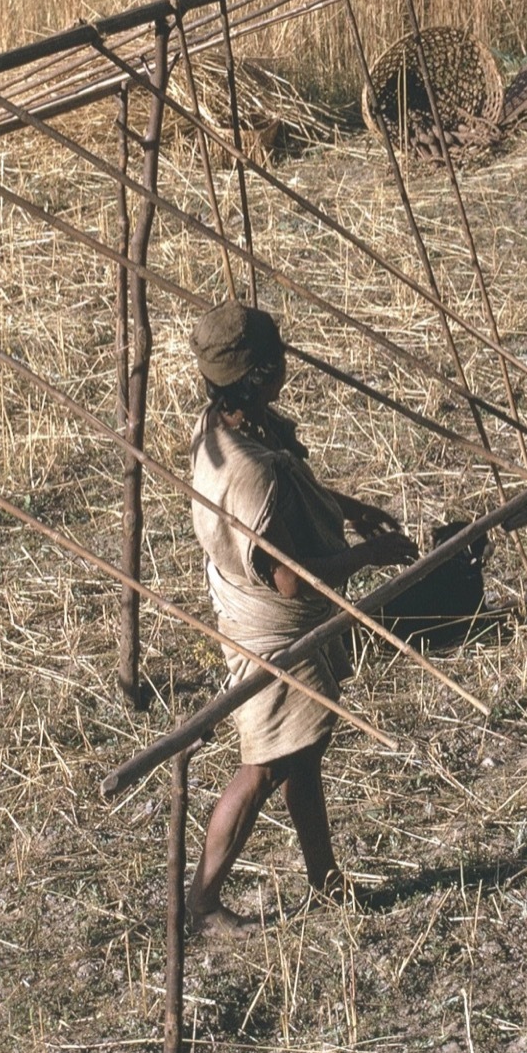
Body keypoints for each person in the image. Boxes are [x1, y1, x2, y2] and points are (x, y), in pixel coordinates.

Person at [183, 300, 415, 937]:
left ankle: (325, 879)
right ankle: (203, 903)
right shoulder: (249, 472)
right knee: (264, 767)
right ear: (259, 375)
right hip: (270, 626)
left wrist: (349, 508)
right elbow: (288, 577)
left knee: (302, 754)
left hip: (258, 609)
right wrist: (370, 556)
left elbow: (288, 504)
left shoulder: (224, 429)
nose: (287, 364)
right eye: (278, 358)